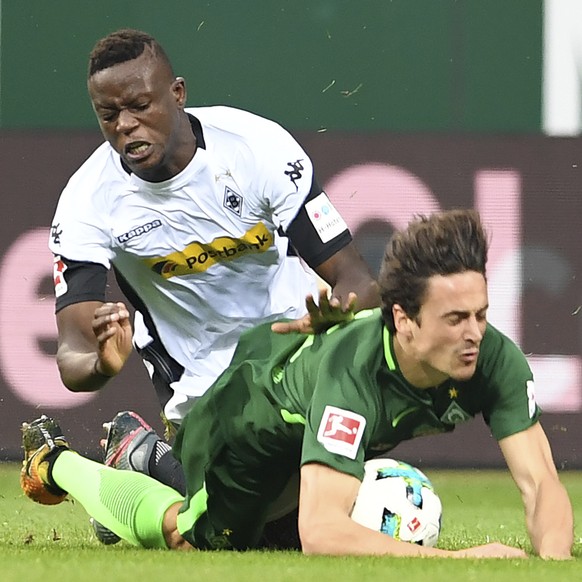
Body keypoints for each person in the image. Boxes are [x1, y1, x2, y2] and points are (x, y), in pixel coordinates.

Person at [24, 209, 572, 558]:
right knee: (192, 537)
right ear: (404, 320)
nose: (475, 333)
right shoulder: (353, 376)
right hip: (248, 419)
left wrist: (550, 562)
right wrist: (457, 563)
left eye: (480, 313)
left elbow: (541, 483)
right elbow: (324, 533)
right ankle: (63, 462)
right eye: (455, 319)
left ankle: (147, 458)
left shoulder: (493, 358)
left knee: (275, 538)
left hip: (300, 413)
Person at [49, 28, 379, 499]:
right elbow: (71, 356)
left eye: (140, 106)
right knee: (245, 526)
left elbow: (358, 280)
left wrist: (340, 315)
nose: (125, 125)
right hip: (197, 374)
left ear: (178, 93)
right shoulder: (87, 202)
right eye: (109, 115)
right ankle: (145, 457)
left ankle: (148, 474)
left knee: (329, 506)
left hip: (293, 342)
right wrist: (102, 364)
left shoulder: (257, 148)